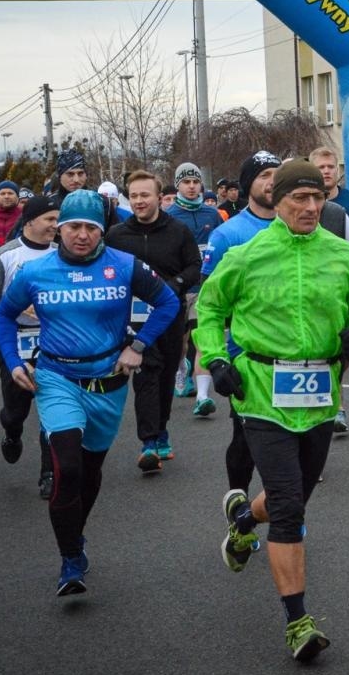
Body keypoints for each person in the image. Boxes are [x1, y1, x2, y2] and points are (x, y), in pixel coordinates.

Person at [195, 159, 349, 662]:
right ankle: (298, 620)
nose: (311, 207)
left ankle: (242, 525)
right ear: (277, 202)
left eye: (318, 198)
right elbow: (209, 311)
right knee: (289, 506)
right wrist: (216, 359)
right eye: (300, 198)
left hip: (320, 395)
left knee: (291, 496)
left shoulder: (342, 256)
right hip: (261, 392)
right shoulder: (246, 254)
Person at [0, 190, 180, 596]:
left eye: (91, 228)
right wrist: (12, 361)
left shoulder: (125, 266)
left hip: (108, 382)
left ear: (102, 231)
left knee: (91, 472)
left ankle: (75, 538)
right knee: (68, 467)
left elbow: (168, 303)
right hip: (56, 377)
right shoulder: (34, 272)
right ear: (58, 230)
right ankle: (70, 559)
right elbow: (3, 315)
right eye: (72, 227)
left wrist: (138, 346)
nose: (81, 236)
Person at [107, 170, 202, 473]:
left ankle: (161, 429)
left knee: (164, 376)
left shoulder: (178, 231)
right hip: (133, 317)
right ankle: (148, 442)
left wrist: (175, 283)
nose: (139, 201)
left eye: (144, 195)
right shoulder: (117, 236)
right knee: (147, 371)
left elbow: (194, 267)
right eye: (133, 195)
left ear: (159, 198)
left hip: (169, 314)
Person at [202, 150, 284, 493]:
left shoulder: (303, 228)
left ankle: (282, 509)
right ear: (248, 184)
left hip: (295, 353)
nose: (272, 182)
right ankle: (238, 504)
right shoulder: (228, 234)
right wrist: (217, 358)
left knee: (293, 440)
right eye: (264, 175)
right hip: (246, 355)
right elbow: (209, 304)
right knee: (247, 438)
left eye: (277, 175)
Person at [0, 195, 60, 497]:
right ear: (31, 220)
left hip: (55, 343)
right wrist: (18, 307)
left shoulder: (62, 254)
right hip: (17, 342)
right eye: (50, 219)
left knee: (53, 410)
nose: (55, 225)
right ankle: (11, 433)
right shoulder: (4, 256)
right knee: (16, 411)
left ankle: (49, 474)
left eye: (57, 219)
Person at [165, 161, 225, 414]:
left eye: (195, 182)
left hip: (205, 285)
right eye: (186, 182)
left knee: (201, 338)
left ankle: (202, 397)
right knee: (182, 340)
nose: (191, 187)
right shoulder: (168, 214)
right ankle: (181, 370)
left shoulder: (212, 214)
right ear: (178, 184)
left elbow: (221, 246)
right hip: (180, 286)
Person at [51, 150, 118, 231]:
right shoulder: (49, 203)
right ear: (59, 176)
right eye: (70, 174)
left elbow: (114, 237)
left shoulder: (103, 202)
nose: (76, 179)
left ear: (86, 175)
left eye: (80, 173)